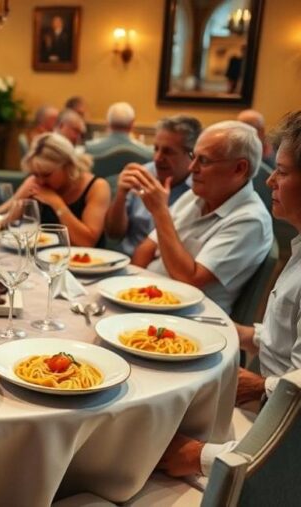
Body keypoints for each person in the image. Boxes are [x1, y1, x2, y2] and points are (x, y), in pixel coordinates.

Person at [158, 111, 301, 478]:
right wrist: (238, 333)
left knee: (131, 455)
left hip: (271, 450)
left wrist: (195, 456)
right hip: (266, 418)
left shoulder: (251, 220)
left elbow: (297, 405)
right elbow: (284, 339)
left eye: (282, 171)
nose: (269, 180)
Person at [131, 121, 273, 313]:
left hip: (189, 318)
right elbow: (146, 249)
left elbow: (190, 279)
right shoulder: (196, 195)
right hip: (148, 299)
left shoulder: (250, 220)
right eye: (193, 157)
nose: (192, 168)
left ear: (240, 168)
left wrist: (160, 212)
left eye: (204, 160)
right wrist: (128, 290)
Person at [105, 115, 202, 255]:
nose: (157, 158)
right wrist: (120, 195)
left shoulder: (199, 188)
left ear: (192, 155)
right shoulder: (142, 174)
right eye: (156, 149)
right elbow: (114, 233)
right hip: (127, 262)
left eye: (168, 152)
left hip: (166, 268)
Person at [11, 132, 110, 247]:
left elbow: (87, 242)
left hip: (88, 262)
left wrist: (56, 203)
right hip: (45, 261)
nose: (41, 181)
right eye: (35, 174)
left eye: (47, 174)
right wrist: (20, 204)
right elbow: (2, 223)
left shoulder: (97, 187)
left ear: (68, 166)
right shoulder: (36, 182)